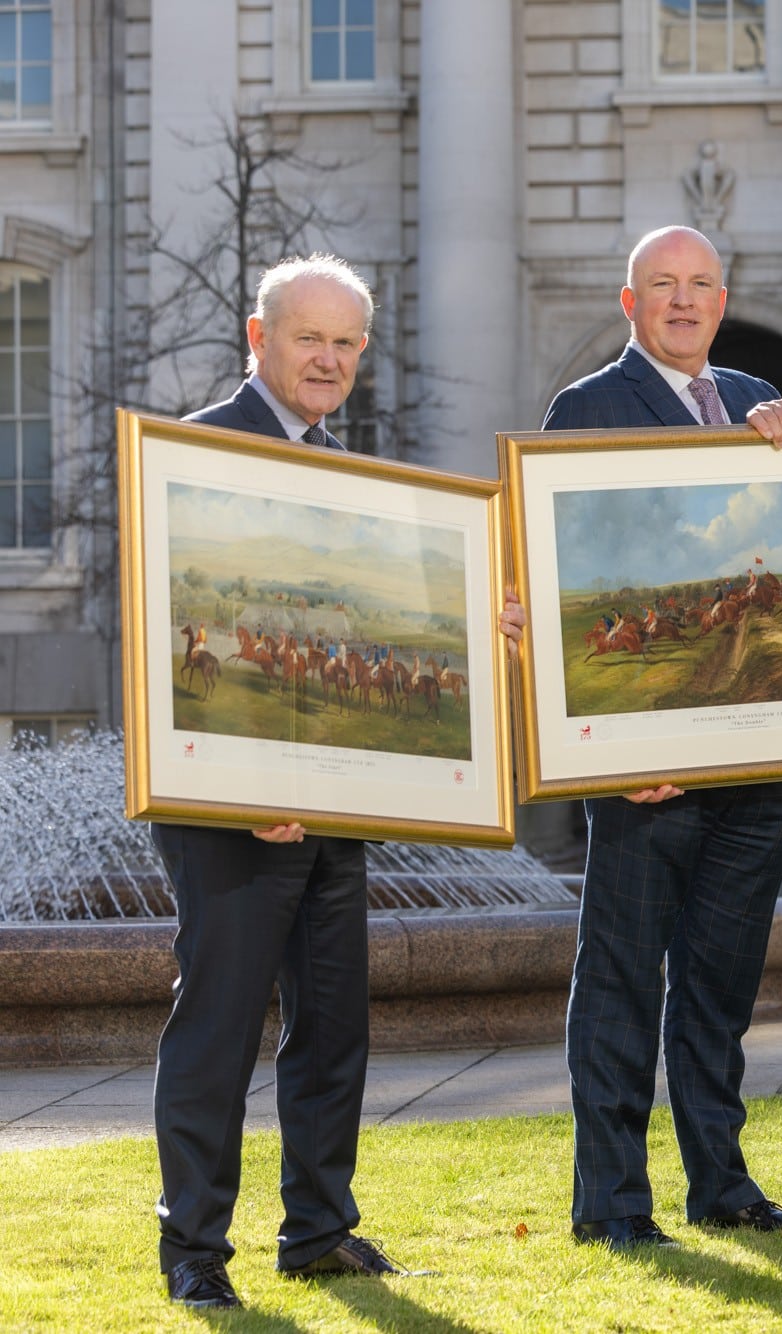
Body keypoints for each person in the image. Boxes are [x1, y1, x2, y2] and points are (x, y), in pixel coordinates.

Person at [499, 225, 782, 1245]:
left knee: (721, 989)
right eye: (662, 286)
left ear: (722, 299)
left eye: (700, 285)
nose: (683, 302)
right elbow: (557, 579)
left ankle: (720, 1184)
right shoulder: (586, 407)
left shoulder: (759, 402)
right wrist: (602, 751)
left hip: (755, 766)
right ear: (629, 303)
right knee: (623, 982)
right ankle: (612, 1201)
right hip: (641, 771)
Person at [154, 254, 415, 1310]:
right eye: (311, 338)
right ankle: (193, 1248)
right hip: (229, 806)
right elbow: (168, 640)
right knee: (219, 1025)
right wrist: (237, 783)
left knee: (334, 1024)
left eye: (348, 342)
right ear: (259, 340)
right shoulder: (194, 451)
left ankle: (318, 1225)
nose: (331, 359)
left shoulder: (352, 473)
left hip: (335, 801)